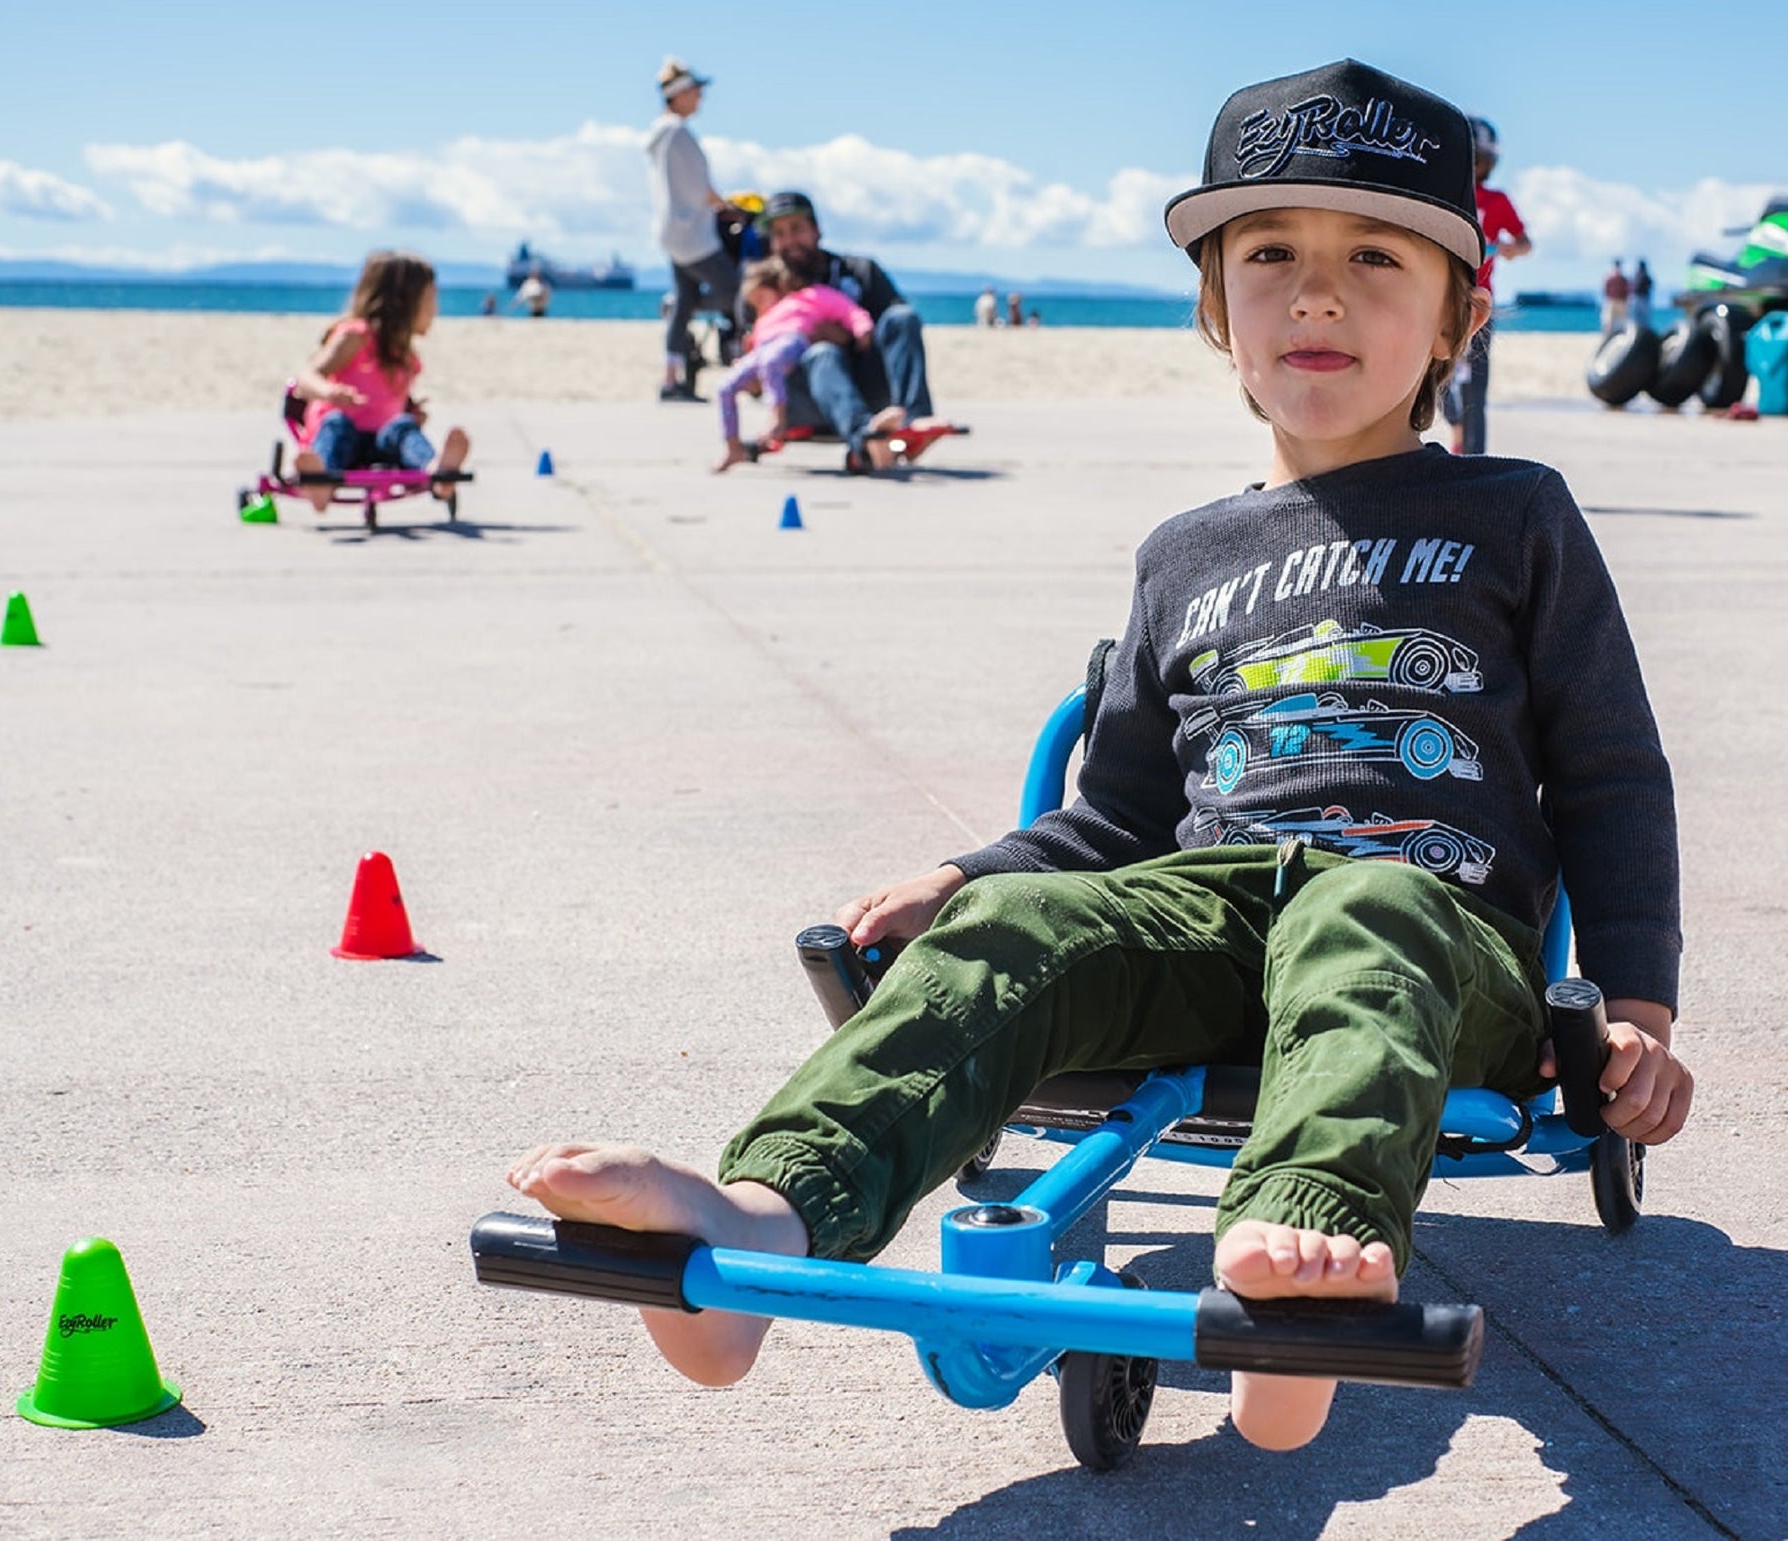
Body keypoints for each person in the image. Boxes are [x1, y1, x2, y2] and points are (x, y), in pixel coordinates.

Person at [507, 59, 1690, 1453]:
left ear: (1461, 314)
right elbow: (1117, 810)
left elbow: (1611, 774)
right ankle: (767, 1214)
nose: (1317, 292)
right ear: (1217, 313)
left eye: (1375, 255)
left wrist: (1640, 1018)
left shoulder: (1514, 513)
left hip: (1433, 929)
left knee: (1367, 910)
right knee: (1018, 929)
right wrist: (969, 872)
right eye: (1271, 256)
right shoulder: (1186, 555)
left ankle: (1298, 1256)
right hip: (1210, 913)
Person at [759, 190, 953, 473]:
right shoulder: (762, 288)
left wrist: (846, 336)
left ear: (815, 229)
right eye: (779, 233)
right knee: (821, 353)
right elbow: (747, 360)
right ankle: (866, 438)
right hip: (801, 394)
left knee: (902, 317)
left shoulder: (859, 272)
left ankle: (914, 422)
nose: (789, 241)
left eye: (796, 229)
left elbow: (894, 335)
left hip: (869, 384)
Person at [292, 250, 468, 514]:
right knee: (336, 424)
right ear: (403, 302)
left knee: (403, 428)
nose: (435, 309)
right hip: (345, 436)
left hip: (381, 442)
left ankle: (437, 472)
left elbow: (387, 403)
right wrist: (328, 391)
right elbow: (305, 379)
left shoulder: (405, 357)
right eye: (430, 299)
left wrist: (412, 413)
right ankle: (321, 481)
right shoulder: (355, 337)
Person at [712, 257, 904, 473]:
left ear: (780, 287)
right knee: (725, 387)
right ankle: (732, 447)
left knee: (776, 361)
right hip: (774, 364)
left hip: (794, 342)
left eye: (762, 299)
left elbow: (848, 310)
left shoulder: (809, 297)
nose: (761, 308)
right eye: (755, 305)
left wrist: (863, 329)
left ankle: (779, 419)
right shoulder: (763, 321)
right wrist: (751, 379)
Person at [646, 57, 740, 402]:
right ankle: (685, 314)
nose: (700, 96)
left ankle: (672, 380)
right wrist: (729, 208)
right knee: (735, 292)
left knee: (684, 300)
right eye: (696, 90)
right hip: (694, 233)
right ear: (679, 93)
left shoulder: (659, 134)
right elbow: (700, 186)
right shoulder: (677, 132)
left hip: (671, 231)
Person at [1439, 116, 1530, 455]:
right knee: (1438, 377)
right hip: (1444, 299)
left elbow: (1525, 242)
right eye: (1471, 158)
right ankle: (1457, 427)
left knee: (1478, 388)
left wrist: (1511, 248)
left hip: (1480, 302)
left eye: (1482, 159)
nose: (1476, 166)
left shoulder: (1496, 201)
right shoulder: (1443, 193)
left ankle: (1475, 460)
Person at [1602, 260, 1630, 335]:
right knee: (1610, 320)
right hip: (1615, 301)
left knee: (1619, 320)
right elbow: (1606, 290)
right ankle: (1609, 333)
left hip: (1618, 301)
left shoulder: (1619, 279)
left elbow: (1606, 290)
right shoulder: (1618, 279)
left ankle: (1617, 333)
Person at [1631, 259, 1654, 330]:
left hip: (1641, 298)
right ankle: (1640, 330)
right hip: (1640, 298)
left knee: (1641, 318)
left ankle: (1642, 331)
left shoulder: (1640, 276)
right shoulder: (1640, 275)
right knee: (1640, 318)